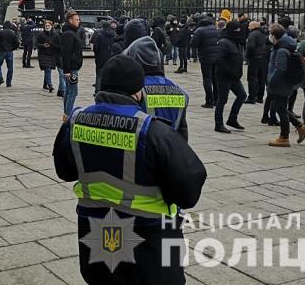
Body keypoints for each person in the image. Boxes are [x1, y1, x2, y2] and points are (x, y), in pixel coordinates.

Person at [53, 55, 206, 285]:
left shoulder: (75, 122)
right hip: (149, 233)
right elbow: (188, 189)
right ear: (139, 92)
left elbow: (64, 171)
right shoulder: (151, 131)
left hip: (96, 227)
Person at [123, 36, 190, 141]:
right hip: (170, 149)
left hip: (145, 149)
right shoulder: (180, 92)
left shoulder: (135, 90)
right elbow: (182, 131)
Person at [266, 24, 305, 147]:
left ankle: (284, 137)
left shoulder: (281, 50)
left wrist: (271, 81)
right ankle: (300, 127)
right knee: (280, 107)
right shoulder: (284, 46)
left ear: (274, 35)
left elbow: (280, 69)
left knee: (281, 110)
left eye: (270, 33)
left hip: (280, 83)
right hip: (283, 83)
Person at [212, 21, 247, 133]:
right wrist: (229, 70)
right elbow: (218, 59)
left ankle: (232, 119)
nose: (239, 32)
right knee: (222, 99)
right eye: (236, 30)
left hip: (234, 76)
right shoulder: (223, 42)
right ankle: (218, 124)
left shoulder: (235, 42)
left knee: (242, 95)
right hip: (224, 76)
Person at [191, 17, 221, 108]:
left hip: (205, 57)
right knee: (215, 79)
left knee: (207, 79)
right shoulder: (216, 30)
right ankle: (217, 99)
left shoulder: (199, 31)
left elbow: (193, 44)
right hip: (216, 57)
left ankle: (209, 101)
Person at [60, 10, 84, 119]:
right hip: (72, 67)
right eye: (76, 19)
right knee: (73, 91)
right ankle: (68, 115)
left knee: (69, 90)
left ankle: (66, 113)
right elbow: (66, 53)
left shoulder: (71, 32)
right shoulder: (69, 34)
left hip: (72, 67)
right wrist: (67, 70)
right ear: (70, 20)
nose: (79, 21)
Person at [245, 21, 267, 104]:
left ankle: (251, 97)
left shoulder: (253, 34)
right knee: (261, 78)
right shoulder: (263, 33)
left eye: (250, 26)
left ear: (254, 26)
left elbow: (250, 46)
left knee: (252, 78)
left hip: (254, 58)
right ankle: (260, 97)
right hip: (262, 57)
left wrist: (247, 56)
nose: (248, 27)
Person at [91, 20, 116, 93]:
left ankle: (98, 90)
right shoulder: (113, 34)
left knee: (99, 74)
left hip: (101, 57)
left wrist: (97, 54)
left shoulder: (99, 35)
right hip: (110, 56)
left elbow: (96, 47)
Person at [0, 21, 19, 87]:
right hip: (9, 51)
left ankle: (0, 78)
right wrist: (13, 48)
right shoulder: (12, 33)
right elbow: (17, 43)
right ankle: (9, 82)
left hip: (1, 50)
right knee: (10, 67)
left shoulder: (0, 32)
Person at [36, 20, 57, 93]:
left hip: (51, 54)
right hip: (43, 54)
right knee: (47, 69)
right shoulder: (41, 34)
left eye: (48, 26)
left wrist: (51, 45)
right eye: (46, 26)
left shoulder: (55, 35)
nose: (47, 27)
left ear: (51, 26)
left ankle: (45, 84)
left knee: (48, 70)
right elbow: (36, 44)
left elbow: (57, 44)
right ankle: (50, 85)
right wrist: (43, 45)